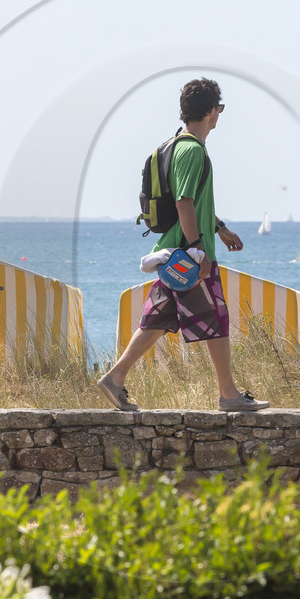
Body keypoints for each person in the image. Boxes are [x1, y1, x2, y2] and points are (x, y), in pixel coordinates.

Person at [96, 78, 271, 412]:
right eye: (219, 108)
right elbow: (184, 202)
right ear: (210, 111)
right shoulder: (192, 150)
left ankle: (115, 378)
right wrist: (198, 249)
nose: (219, 114)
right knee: (216, 317)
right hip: (186, 255)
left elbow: (195, 202)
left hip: (175, 251)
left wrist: (219, 228)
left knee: (158, 319)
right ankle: (229, 394)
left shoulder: (178, 145)